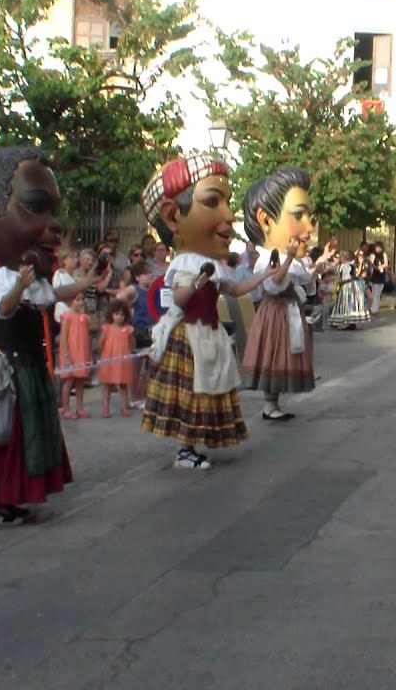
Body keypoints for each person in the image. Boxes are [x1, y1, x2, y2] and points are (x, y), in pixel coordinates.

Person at [0, 146, 107, 527]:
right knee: (2, 432)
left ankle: (14, 496)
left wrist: (83, 282)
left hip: (27, 366)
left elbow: (50, 295)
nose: (53, 224)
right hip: (4, 369)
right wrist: (18, 289)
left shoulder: (30, 279)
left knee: (24, 433)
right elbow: (1, 310)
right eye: (36, 207)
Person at [140, 155, 274, 470]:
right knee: (191, 392)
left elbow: (235, 290)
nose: (228, 216)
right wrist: (198, 282)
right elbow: (179, 299)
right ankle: (185, 450)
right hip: (190, 336)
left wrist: (265, 275)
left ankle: (193, 445)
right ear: (173, 217)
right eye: (213, 202)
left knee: (206, 390)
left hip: (209, 335)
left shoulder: (211, 263)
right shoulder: (185, 262)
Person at [239, 167, 326, 421]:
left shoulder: (294, 260)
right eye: (298, 215)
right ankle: (269, 404)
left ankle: (274, 403)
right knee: (273, 355)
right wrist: (288, 257)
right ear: (266, 220)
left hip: (289, 311)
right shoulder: (266, 257)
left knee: (285, 354)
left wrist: (319, 264)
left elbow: (305, 282)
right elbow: (274, 281)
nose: (309, 227)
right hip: (275, 313)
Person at [99, 302, 138, 417]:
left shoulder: (128, 329)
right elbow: (101, 343)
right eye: (116, 314)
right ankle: (106, 408)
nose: (119, 317)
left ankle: (124, 407)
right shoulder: (107, 328)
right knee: (107, 385)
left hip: (123, 361)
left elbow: (133, 344)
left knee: (123, 385)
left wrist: (130, 349)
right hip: (109, 360)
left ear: (126, 316)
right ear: (111, 314)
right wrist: (106, 355)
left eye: (122, 314)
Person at [58, 293, 92, 419]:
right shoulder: (67, 317)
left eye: (82, 299)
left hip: (81, 352)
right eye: (77, 300)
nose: (81, 302)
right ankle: (66, 409)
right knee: (69, 380)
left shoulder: (84, 317)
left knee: (80, 381)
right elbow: (63, 337)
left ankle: (80, 408)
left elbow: (87, 336)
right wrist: (66, 354)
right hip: (71, 352)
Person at [328, 250, 371, 329]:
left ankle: (347, 322)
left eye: (341, 256)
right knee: (350, 303)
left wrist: (338, 280)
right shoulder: (351, 265)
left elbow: (347, 278)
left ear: (344, 257)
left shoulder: (346, 266)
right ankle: (350, 322)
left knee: (347, 303)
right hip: (353, 286)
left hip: (348, 286)